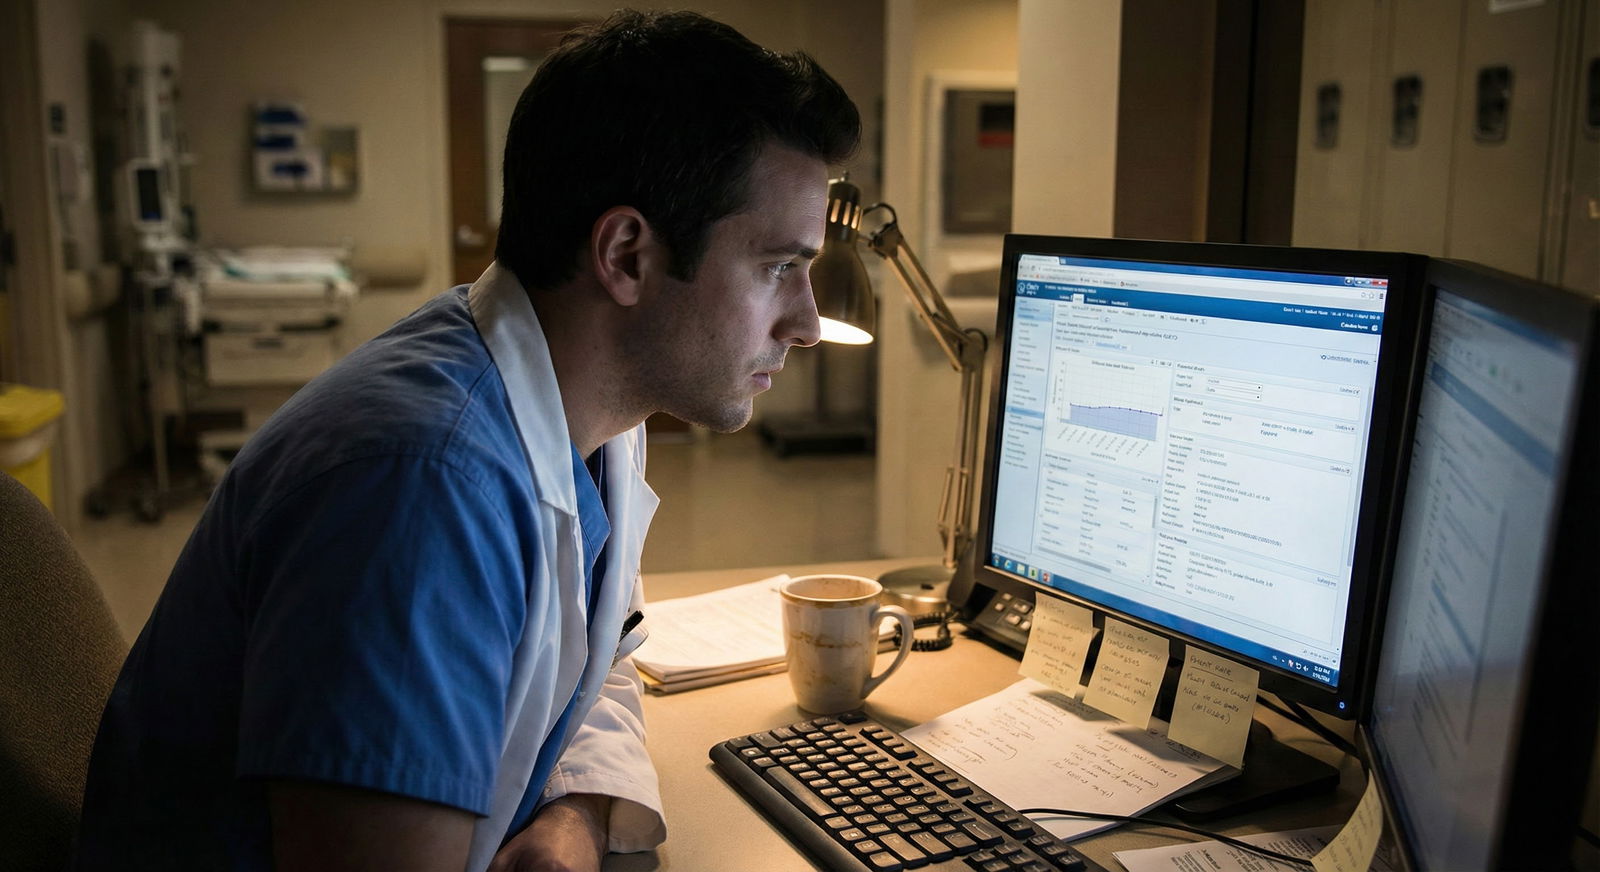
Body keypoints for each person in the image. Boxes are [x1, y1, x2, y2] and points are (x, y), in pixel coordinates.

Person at [74, 10, 860, 870]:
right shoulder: (422, 490)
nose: (809, 323)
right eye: (780, 267)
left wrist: (577, 816)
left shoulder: (586, 413)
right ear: (627, 255)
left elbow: (593, 658)